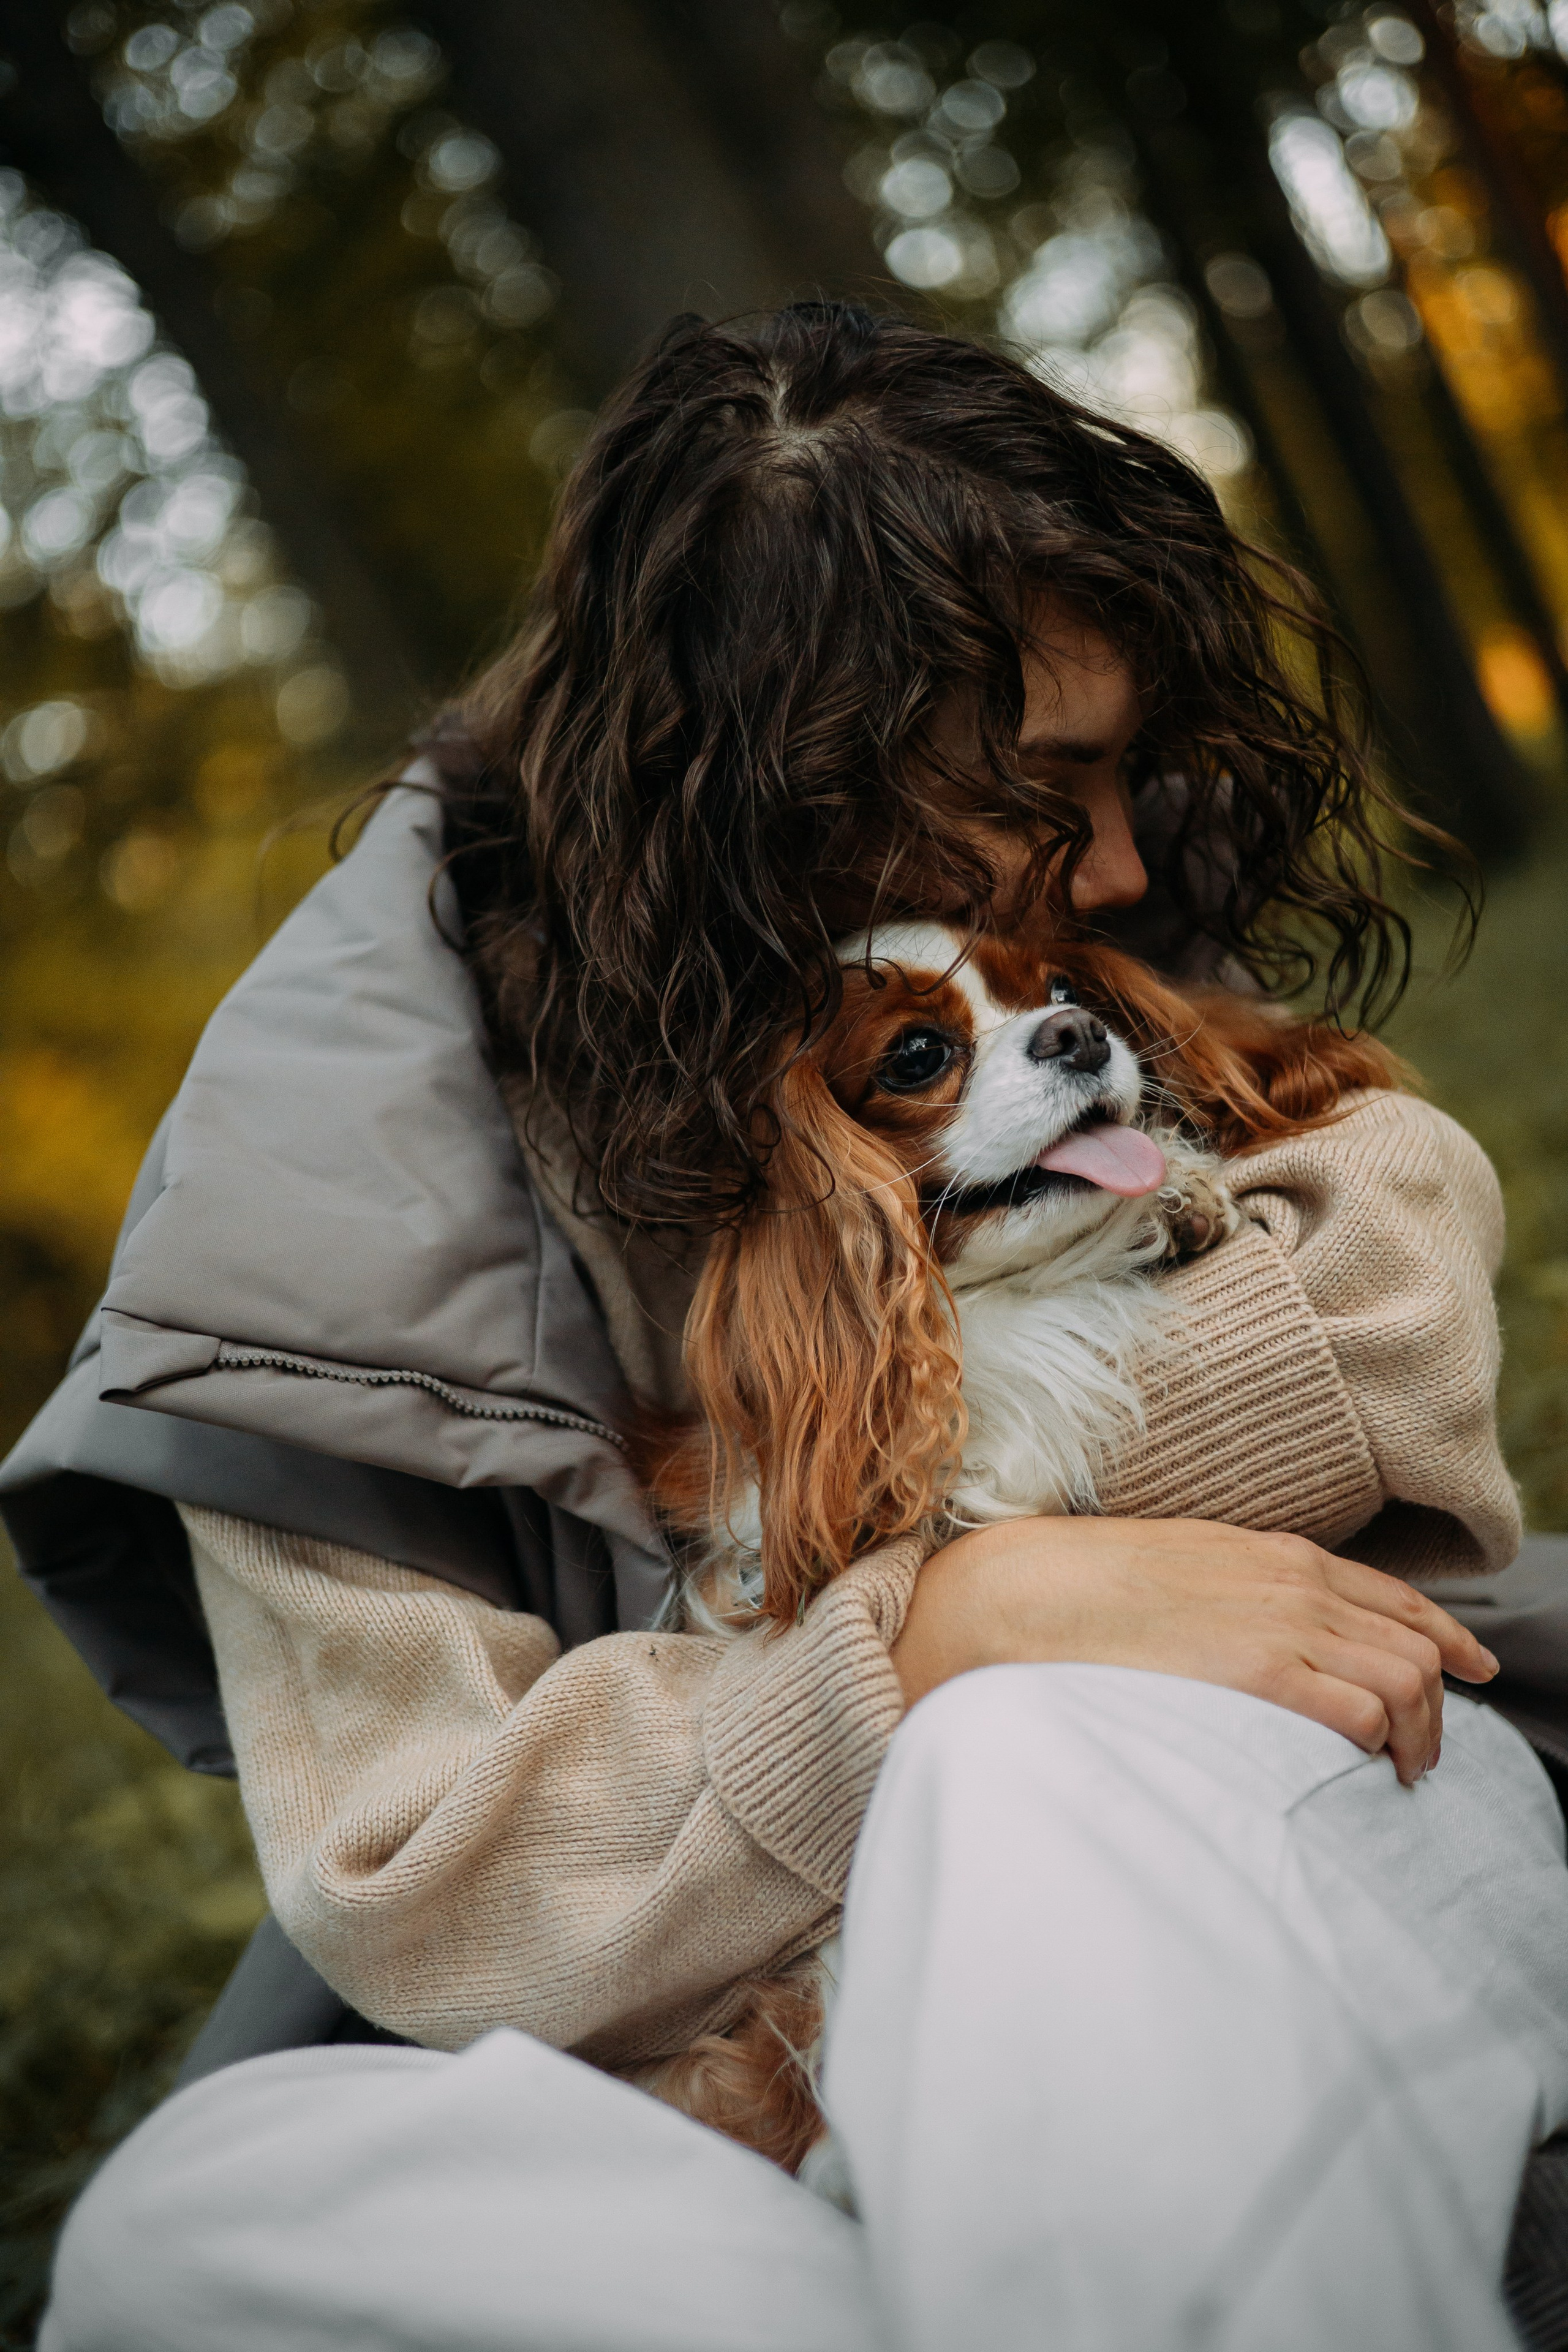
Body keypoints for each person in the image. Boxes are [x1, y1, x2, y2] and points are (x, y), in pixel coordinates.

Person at [13, 304, 1568, 2351]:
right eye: (1050, 783)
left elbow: (1384, 1290)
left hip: (1290, 1791)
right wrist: (919, 1636)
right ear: (795, 792)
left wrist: (988, 1609)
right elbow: (430, 1875)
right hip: (714, 2063)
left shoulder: (1065, 953)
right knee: (189, 2219)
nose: (1114, 857)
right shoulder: (305, 1201)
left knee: (1014, 1769)